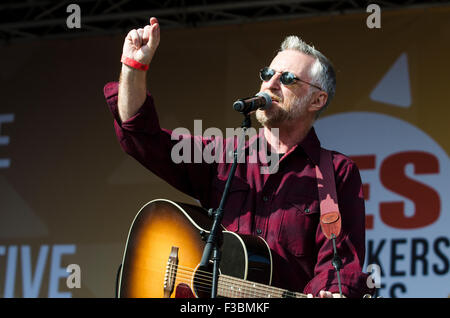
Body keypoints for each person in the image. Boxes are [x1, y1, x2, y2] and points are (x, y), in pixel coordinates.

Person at [104, 17, 374, 298]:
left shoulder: (336, 173)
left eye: (288, 79)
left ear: (317, 100)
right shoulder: (222, 156)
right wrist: (133, 67)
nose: (271, 83)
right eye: (268, 73)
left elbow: (339, 264)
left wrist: (332, 291)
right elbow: (141, 137)